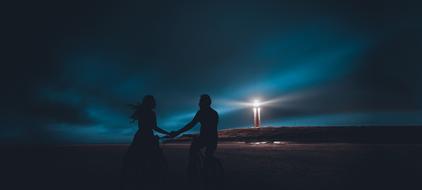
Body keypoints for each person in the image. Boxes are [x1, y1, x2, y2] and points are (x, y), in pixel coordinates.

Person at [121, 95, 170, 190]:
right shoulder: (151, 113)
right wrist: (167, 132)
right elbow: (154, 127)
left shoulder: (141, 112)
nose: (155, 103)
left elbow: (146, 126)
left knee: (131, 158)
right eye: (153, 102)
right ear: (151, 103)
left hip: (139, 136)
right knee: (157, 159)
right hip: (148, 137)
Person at [169, 94, 220, 184]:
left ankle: (196, 170)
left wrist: (178, 132)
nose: (199, 104)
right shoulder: (212, 113)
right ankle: (202, 171)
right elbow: (192, 124)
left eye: (201, 102)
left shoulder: (203, 113)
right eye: (200, 102)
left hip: (208, 138)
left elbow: (192, 124)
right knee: (205, 155)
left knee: (196, 151)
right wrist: (178, 132)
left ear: (206, 103)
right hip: (212, 138)